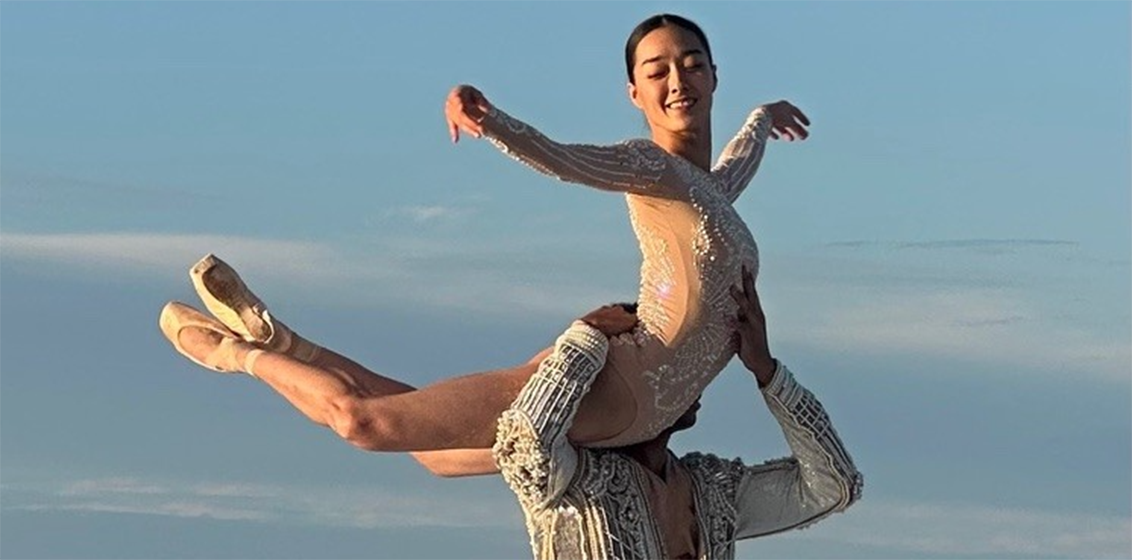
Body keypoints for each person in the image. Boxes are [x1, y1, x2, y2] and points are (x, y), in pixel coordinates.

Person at [158, 13, 813, 465]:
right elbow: (562, 158)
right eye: (657, 70)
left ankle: (285, 344)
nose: (677, 81)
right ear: (634, 92)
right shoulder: (649, 167)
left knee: (438, 459)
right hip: (608, 388)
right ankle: (233, 352)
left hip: (635, 418)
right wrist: (490, 119)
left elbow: (732, 170)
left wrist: (761, 119)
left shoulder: (706, 193)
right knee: (366, 423)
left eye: (692, 65)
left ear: (714, 76)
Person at [493, 267, 862, 559]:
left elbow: (834, 486)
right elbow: (524, 440)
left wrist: (767, 370)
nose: (698, 377)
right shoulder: (575, 479)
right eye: (679, 363)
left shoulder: (711, 491)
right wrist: (586, 339)